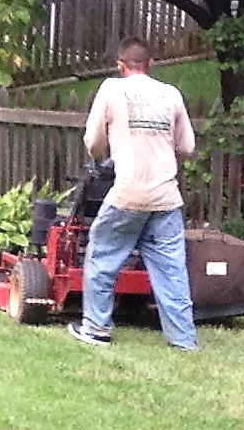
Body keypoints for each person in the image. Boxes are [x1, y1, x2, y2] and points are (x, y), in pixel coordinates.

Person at [73, 40, 200, 350]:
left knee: (103, 255)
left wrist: (104, 157)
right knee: (172, 270)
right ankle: (183, 339)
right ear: (150, 63)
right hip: (166, 197)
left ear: (121, 65)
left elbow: (93, 141)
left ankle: (96, 328)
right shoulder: (170, 94)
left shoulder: (111, 89)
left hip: (128, 193)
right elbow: (187, 148)